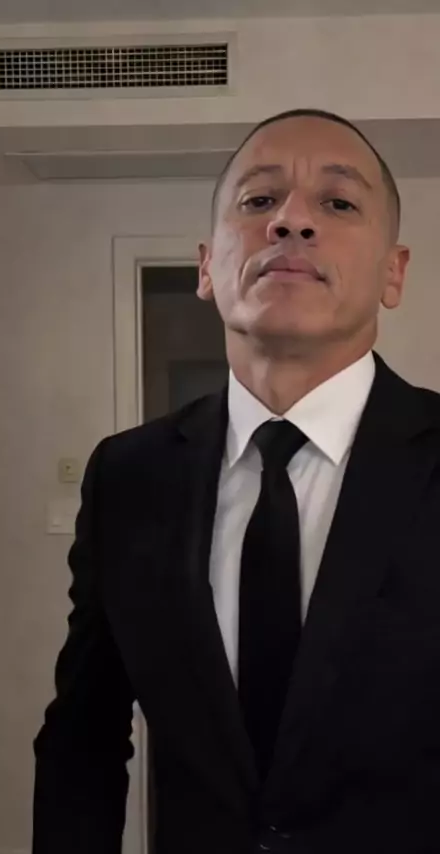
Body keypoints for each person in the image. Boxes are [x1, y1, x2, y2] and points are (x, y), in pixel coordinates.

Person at [32, 108, 440, 854]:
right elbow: (84, 735)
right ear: (207, 267)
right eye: (259, 200)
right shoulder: (127, 477)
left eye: (337, 202)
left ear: (394, 271)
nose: (291, 221)